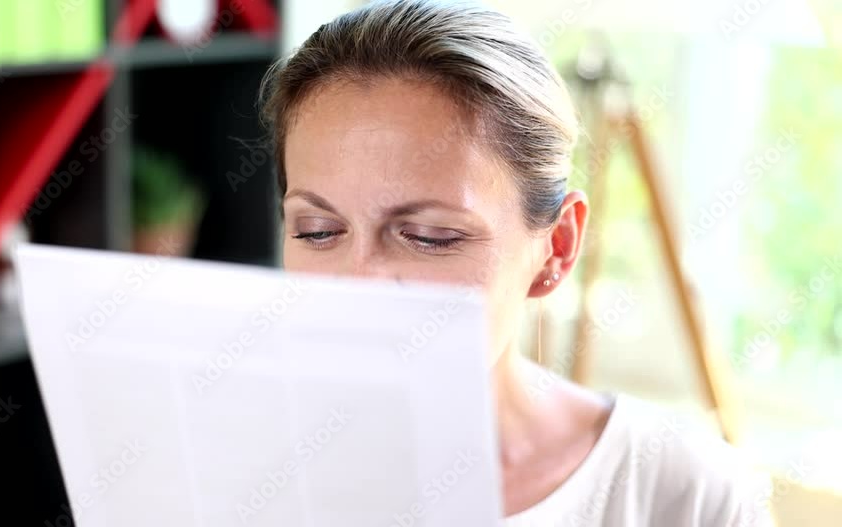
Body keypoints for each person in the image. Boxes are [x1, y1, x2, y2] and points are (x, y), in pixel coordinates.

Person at [257, 0, 775, 525]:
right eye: (317, 231)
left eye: (428, 237)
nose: (358, 283)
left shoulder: (685, 494)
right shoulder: (230, 462)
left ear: (557, 246)